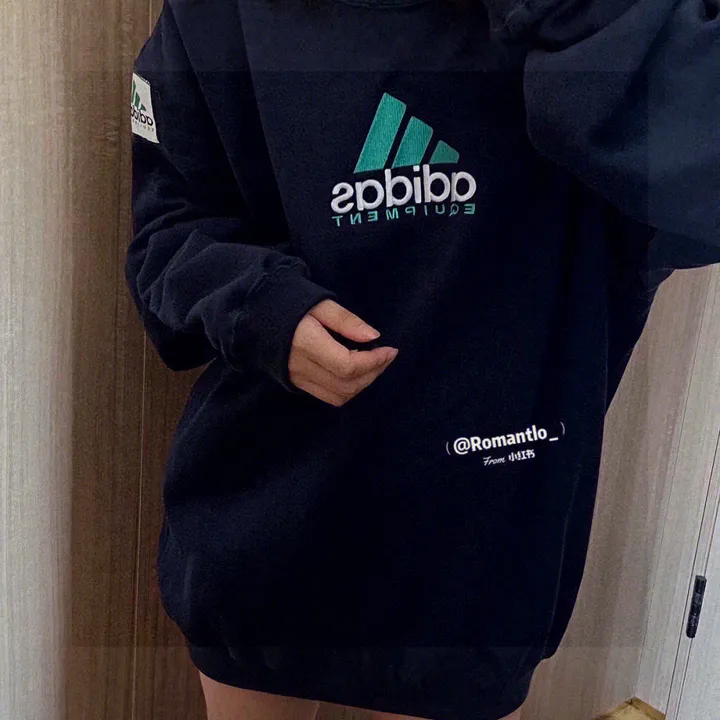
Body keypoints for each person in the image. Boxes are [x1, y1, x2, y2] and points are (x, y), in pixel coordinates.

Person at [126, 0, 719, 718]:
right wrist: (262, 310)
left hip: (480, 554)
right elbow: (167, 231)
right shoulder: (217, 16)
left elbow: (698, 182)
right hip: (266, 531)